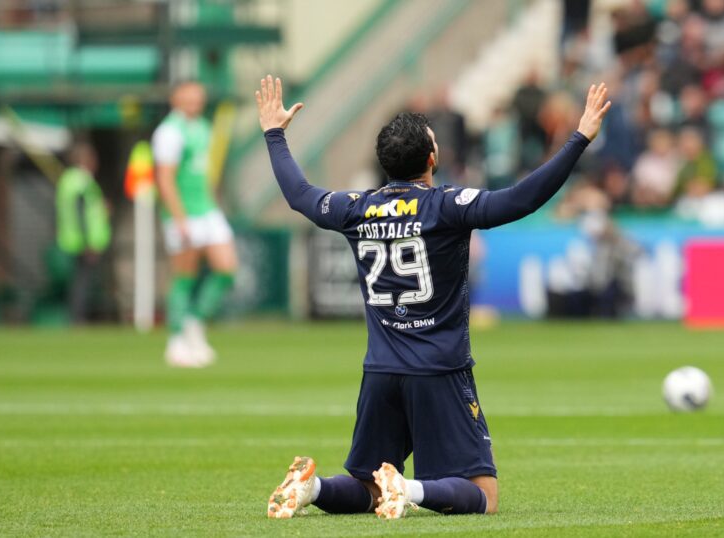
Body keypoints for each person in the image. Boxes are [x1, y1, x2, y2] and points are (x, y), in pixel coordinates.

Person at [256, 75, 611, 519]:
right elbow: (522, 199)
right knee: (483, 496)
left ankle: (313, 489)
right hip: (439, 369)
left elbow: (299, 194)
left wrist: (274, 134)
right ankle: (408, 489)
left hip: (381, 371)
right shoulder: (447, 206)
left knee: (368, 488)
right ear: (432, 157)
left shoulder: (355, 207)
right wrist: (579, 139)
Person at [152, 81, 237, 368]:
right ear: (175, 98)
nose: (194, 101)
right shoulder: (169, 132)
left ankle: (194, 324)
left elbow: (203, 173)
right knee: (185, 276)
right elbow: (164, 178)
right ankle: (175, 341)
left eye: (198, 96)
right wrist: (179, 218)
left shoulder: (203, 127)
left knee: (226, 269)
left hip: (207, 210)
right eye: (188, 96)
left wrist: (212, 203)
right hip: (184, 213)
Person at [56, 142, 111, 323]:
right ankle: (78, 318)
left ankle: (77, 316)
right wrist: (87, 241)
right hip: (83, 240)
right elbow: (81, 211)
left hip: (71, 238)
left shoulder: (67, 179)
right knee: (82, 282)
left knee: (78, 280)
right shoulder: (81, 180)